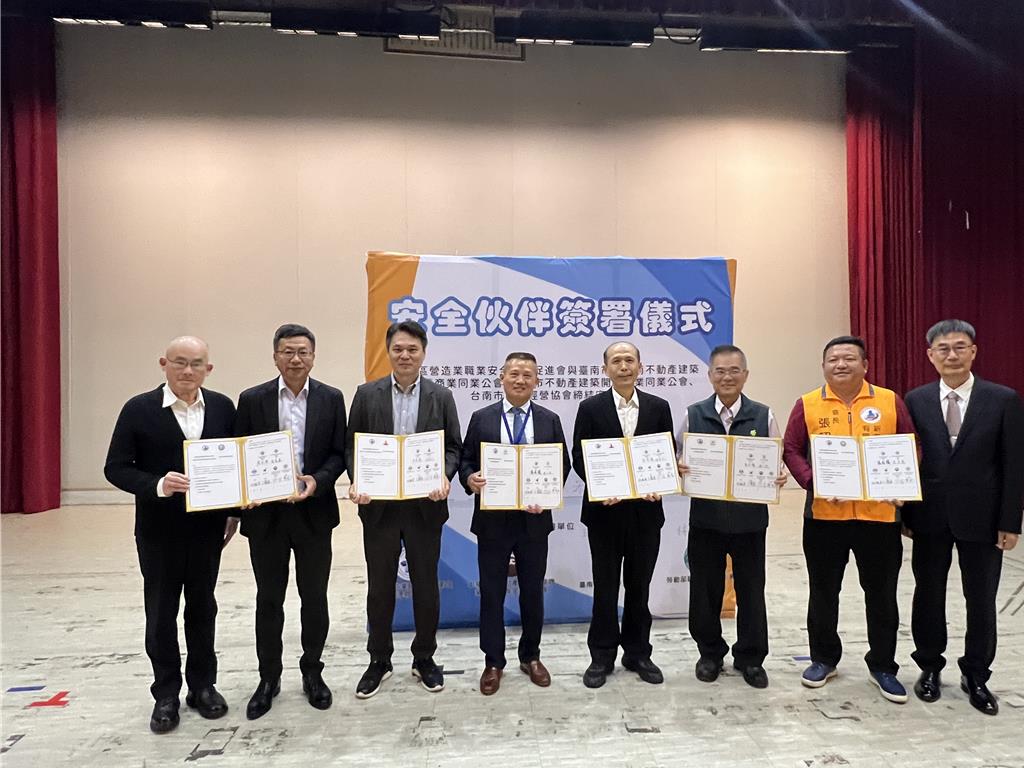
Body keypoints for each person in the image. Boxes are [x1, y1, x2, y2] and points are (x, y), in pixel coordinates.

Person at [104, 336, 237, 734]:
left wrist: (234, 511)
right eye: (179, 362)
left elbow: (236, 464)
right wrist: (157, 485)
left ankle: (203, 686)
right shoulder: (139, 409)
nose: (187, 371)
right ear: (163, 364)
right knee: (161, 612)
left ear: (208, 369)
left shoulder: (222, 408)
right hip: (158, 532)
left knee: (203, 608)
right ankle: (165, 694)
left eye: (196, 364)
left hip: (208, 530)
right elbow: (116, 467)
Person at [782, 335, 915, 704]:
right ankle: (824, 659)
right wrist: (813, 481)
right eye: (833, 359)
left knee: (882, 594)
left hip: (879, 516)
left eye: (849, 358)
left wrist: (902, 481)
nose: (841, 364)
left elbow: (910, 444)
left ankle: (883, 665)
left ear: (865, 365)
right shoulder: (807, 403)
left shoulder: (889, 401)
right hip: (825, 516)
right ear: (824, 366)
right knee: (823, 591)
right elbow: (791, 448)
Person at [903, 319, 1024, 715]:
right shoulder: (915, 400)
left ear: (973, 351)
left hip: (984, 519)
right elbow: (908, 459)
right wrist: (906, 512)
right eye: (943, 348)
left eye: (959, 347)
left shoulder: (1002, 399)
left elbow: (1014, 465)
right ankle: (929, 667)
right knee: (928, 594)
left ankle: (976, 674)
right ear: (930, 355)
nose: (951, 355)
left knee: (981, 599)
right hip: (929, 516)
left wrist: (1010, 522)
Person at [234, 324, 347, 720]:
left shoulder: (332, 398)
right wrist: (242, 494)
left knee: (314, 597)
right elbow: (239, 452)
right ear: (275, 356)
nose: (295, 359)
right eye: (287, 351)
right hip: (266, 516)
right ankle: (269, 678)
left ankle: (313, 672)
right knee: (269, 598)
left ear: (313, 357)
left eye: (303, 352)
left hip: (313, 513)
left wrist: (318, 480)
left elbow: (339, 453)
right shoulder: (252, 399)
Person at [346, 320, 462, 698]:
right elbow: (352, 446)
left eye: (412, 349)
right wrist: (359, 480)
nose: (405, 355)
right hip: (379, 507)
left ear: (423, 353)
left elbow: (453, 447)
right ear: (389, 352)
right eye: (398, 349)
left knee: (426, 586)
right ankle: (379, 660)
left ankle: (424, 658)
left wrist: (444, 475)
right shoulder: (367, 394)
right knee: (380, 587)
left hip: (424, 507)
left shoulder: (441, 396)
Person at [459, 352, 570, 695]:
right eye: (514, 374)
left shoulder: (550, 419)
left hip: (534, 521)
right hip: (493, 520)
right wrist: (470, 479)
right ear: (502, 377)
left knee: (533, 591)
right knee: (492, 593)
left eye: (527, 375)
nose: (520, 380)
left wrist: (547, 494)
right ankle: (493, 661)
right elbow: (465, 461)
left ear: (537, 381)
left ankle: (531, 656)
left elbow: (562, 464)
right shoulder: (482, 417)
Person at [676, 344, 786, 689]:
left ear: (745, 375)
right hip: (706, 520)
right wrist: (678, 466)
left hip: (750, 521)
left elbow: (777, 457)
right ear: (710, 376)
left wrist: (778, 474)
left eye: (734, 370)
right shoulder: (693, 415)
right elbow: (677, 455)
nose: (727, 377)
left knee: (751, 591)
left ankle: (750, 658)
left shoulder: (762, 415)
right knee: (705, 591)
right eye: (720, 371)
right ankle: (709, 654)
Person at [572, 341, 674, 689]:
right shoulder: (590, 407)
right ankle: (601, 656)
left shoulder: (658, 407)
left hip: (646, 514)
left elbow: (665, 451)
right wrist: (600, 486)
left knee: (639, 586)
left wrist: (660, 482)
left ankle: (638, 653)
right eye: (616, 361)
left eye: (629, 360)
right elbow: (579, 456)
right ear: (606, 369)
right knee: (604, 588)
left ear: (640, 366)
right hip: (604, 514)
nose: (624, 366)